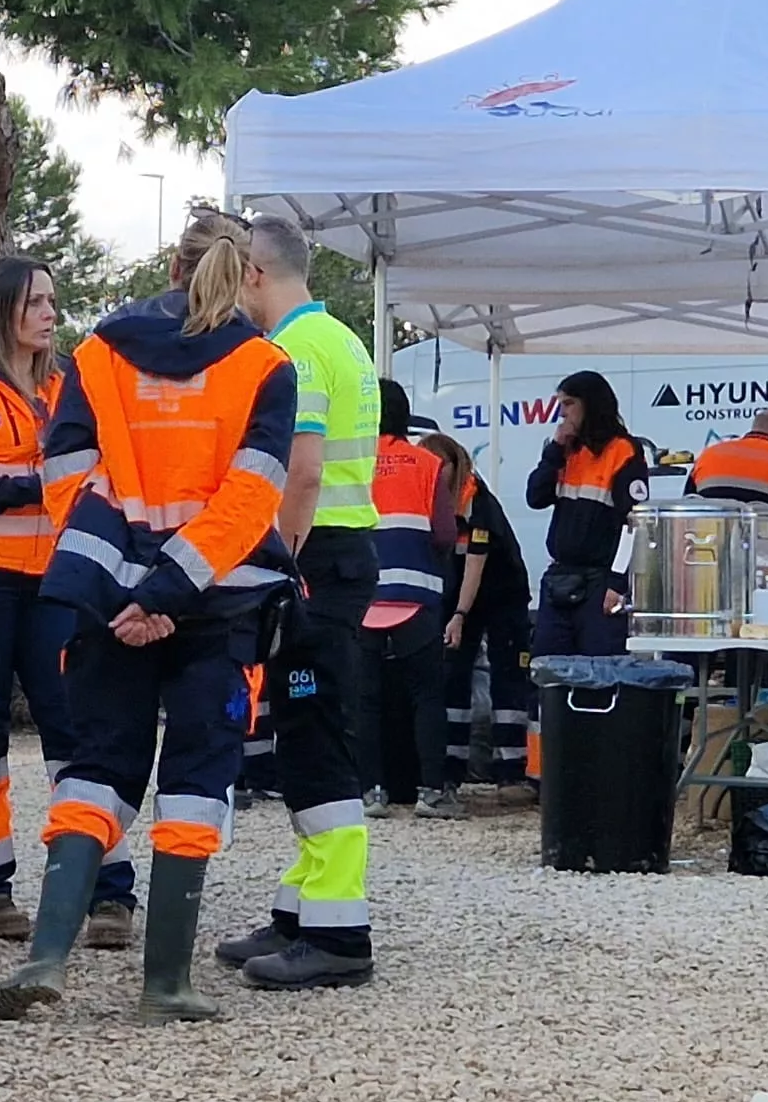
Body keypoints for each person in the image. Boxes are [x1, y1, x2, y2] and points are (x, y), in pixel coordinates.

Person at [0, 210, 296, 1025]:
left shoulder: (98, 353)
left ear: (173, 264)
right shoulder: (264, 367)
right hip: (215, 603)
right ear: (248, 274)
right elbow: (250, 500)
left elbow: (68, 478)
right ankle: (166, 983)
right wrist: (171, 589)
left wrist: (128, 587)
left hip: (107, 599)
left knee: (96, 770)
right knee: (194, 781)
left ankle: (48, 956)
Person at [0, 257, 137, 945]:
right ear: (2, 310)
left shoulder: (66, 386)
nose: (50, 312)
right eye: (36, 301)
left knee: (76, 729)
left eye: (52, 299)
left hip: (55, 579)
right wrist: (29, 486)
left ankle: (106, 889)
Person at [218, 214, 382, 989]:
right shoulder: (341, 338)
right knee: (306, 727)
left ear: (254, 273)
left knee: (315, 737)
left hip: (314, 552)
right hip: (339, 553)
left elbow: (303, 472)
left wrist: (274, 559)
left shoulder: (295, 350)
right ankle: (303, 909)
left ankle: (341, 934)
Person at [355, 381, 457, 819]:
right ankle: (432, 792)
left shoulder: (352, 462)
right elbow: (446, 534)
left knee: (364, 697)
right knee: (427, 696)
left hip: (362, 596)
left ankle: (371, 792)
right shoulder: (428, 463)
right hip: (417, 595)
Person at [418, 431, 533, 807]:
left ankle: (511, 774)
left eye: (441, 466)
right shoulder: (433, 502)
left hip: (502, 597)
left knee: (508, 681)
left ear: (455, 464)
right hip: (458, 600)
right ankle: (450, 773)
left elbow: (476, 564)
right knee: (453, 679)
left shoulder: (476, 502)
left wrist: (460, 615)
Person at [527, 369, 650, 657]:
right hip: (560, 575)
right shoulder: (565, 451)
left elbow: (634, 523)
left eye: (569, 404)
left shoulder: (623, 450)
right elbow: (535, 497)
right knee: (548, 667)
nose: (562, 413)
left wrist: (617, 584)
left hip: (600, 581)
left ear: (590, 403)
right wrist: (555, 451)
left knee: (600, 671)